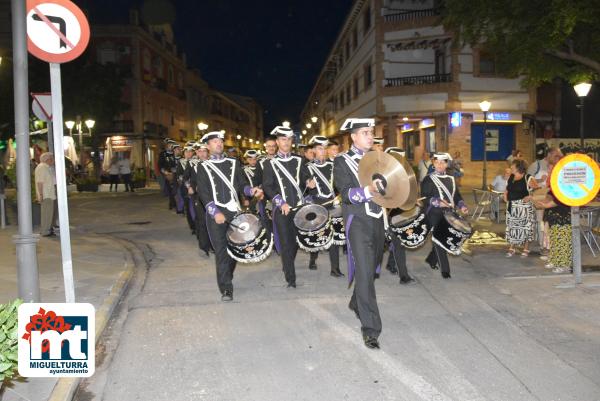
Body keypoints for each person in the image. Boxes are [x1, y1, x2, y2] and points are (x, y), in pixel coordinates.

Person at [334, 118, 386, 349]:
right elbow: (345, 193)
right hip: (357, 222)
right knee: (365, 272)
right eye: (365, 132)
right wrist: (368, 190)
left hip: (377, 220)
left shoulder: (378, 159)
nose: (370, 136)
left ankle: (356, 301)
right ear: (353, 137)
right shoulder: (342, 161)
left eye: (371, 132)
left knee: (371, 269)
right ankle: (371, 328)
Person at [196, 131, 263, 301]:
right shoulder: (202, 167)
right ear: (208, 146)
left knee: (234, 249)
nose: (218, 144)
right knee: (221, 252)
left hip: (234, 212)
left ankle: (227, 274)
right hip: (216, 214)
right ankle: (226, 288)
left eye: (220, 141)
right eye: (214, 142)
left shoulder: (233, 163)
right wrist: (215, 212)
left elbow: (242, 185)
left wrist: (251, 190)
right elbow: (204, 193)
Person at [262, 126, 315, 288]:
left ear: (292, 141)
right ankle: (291, 278)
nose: (286, 142)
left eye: (289, 139)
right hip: (282, 209)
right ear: (277, 142)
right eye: (283, 139)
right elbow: (268, 187)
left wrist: (309, 182)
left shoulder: (299, 160)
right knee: (286, 243)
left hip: (299, 208)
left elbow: (306, 177)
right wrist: (280, 202)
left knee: (295, 243)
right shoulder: (270, 163)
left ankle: (287, 262)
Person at [421, 152, 468, 279]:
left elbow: (456, 196)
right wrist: (437, 203)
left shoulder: (451, 179)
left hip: (449, 213)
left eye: (442, 162)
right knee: (440, 239)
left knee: (444, 238)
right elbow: (424, 198)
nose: (440, 165)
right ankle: (445, 270)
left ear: (447, 164)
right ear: (433, 164)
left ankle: (431, 259)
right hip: (434, 213)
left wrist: (462, 205)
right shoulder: (428, 179)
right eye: (437, 162)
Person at [306, 135, 344, 277]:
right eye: (319, 148)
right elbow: (303, 184)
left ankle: (335, 268)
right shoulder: (307, 167)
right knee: (317, 235)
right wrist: (307, 184)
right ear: (314, 150)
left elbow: (338, 183)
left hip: (332, 204)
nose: (322, 151)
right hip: (317, 204)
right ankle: (312, 258)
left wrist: (340, 193)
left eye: (324, 148)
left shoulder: (333, 165)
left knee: (333, 235)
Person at [383, 147, 416, 285]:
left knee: (398, 244)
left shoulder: (407, 176)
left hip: (399, 215)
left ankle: (403, 276)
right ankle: (376, 269)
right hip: (385, 214)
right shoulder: (382, 176)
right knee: (382, 245)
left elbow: (412, 192)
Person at [504, 159, 536, 257]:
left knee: (526, 228)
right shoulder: (511, 177)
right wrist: (505, 195)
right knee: (512, 228)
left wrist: (530, 197)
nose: (511, 168)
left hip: (524, 207)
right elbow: (507, 189)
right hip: (512, 206)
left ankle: (526, 248)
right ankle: (512, 247)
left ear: (518, 167)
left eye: (512, 166)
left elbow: (538, 190)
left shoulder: (528, 178)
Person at [35, 152, 58, 237]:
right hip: (46, 194)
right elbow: (40, 182)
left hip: (49, 194)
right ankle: (45, 231)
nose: (53, 160)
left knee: (49, 213)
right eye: (52, 158)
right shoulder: (42, 167)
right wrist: (40, 195)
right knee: (46, 214)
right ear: (47, 159)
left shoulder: (46, 167)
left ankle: (48, 229)